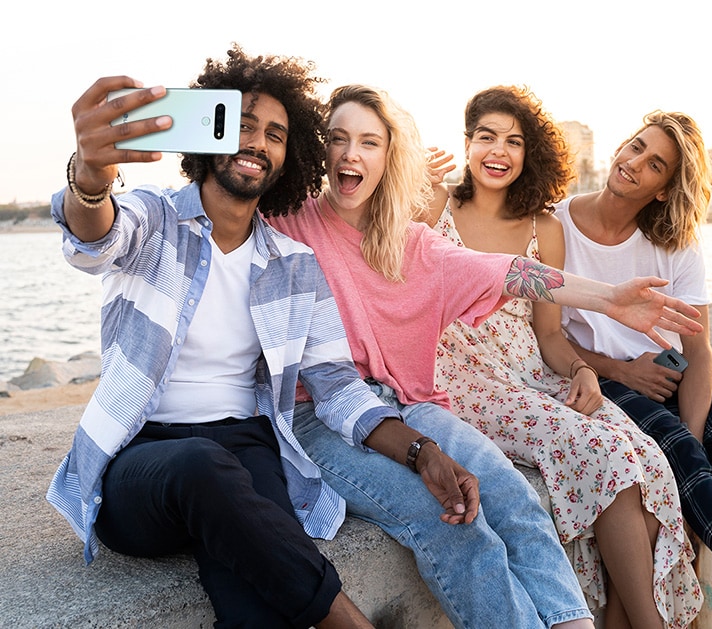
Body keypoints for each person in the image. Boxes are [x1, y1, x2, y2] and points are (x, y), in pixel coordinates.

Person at [268, 84, 704, 629]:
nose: (351, 154)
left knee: (515, 501)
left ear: (389, 156)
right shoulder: (287, 220)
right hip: (317, 418)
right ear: (321, 151)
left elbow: (506, 272)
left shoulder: (410, 242)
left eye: (369, 142)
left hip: (408, 403)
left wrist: (610, 298)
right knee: (450, 519)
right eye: (338, 140)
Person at [45, 45, 446, 629]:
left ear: (291, 156)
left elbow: (337, 388)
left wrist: (421, 449)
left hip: (245, 449)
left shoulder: (294, 264)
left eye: (276, 134)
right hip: (145, 463)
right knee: (204, 466)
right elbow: (96, 236)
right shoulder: (154, 220)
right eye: (242, 123)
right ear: (209, 134)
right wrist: (88, 177)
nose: (257, 142)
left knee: (249, 583)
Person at [425, 86, 701, 628]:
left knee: (648, 460)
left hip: (532, 371)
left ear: (530, 155)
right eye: (486, 137)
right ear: (467, 142)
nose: (498, 151)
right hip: (462, 376)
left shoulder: (542, 228)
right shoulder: (435, 205)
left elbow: (549, 335)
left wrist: (581, 370)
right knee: (608, 457)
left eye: (513, 141)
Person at [556, 110, 712, 609]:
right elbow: (546, 339)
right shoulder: (555, 224)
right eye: (635, 146)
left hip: (670, 375)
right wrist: (622, 371)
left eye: (654, 165)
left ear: (663, 190)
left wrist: (691, 442)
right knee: (682, 452)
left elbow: (698, 353)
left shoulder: (673, 244)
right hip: (604, 381)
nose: (633, 163)